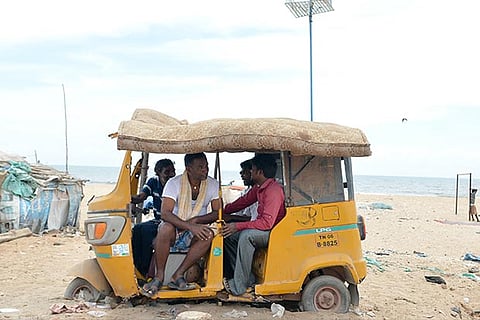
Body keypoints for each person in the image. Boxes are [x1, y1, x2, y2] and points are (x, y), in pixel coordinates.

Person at [142, 152, 221, 295]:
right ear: (188, 169)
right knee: (165, 228)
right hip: (175, 230)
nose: (205, 170)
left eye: (206, 166)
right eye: (201, 167)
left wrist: (196, 221)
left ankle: (178, 275)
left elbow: (217, 213)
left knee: (208, 235)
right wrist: (189, 226)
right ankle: (159, 276)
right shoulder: (174, 183)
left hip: (194, 231)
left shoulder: (213, 184)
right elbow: (165, 213)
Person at [221, 154, 286, 296]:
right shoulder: (259, 188)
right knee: (228, 236)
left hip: (274, 232)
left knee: (246, 236)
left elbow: (267, 223)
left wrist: (237, 226)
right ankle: (247, 278)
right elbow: (243, 202)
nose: (250, 172)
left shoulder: (273, 191)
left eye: (252, 170)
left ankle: (239, 286)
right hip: (265, 228)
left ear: (259, 172)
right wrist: (222, 210)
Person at [131, 159, 175, 277]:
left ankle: (145, 270)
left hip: (171, 221)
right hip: (158, 220)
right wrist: (128, 198)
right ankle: (137, 266)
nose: (171, 175)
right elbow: (141, 197)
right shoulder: (153, 182)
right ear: (158, 172)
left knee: (146, 232)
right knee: (136, 230)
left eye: (173, 171)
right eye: (167, 172)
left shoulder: (175, 184)